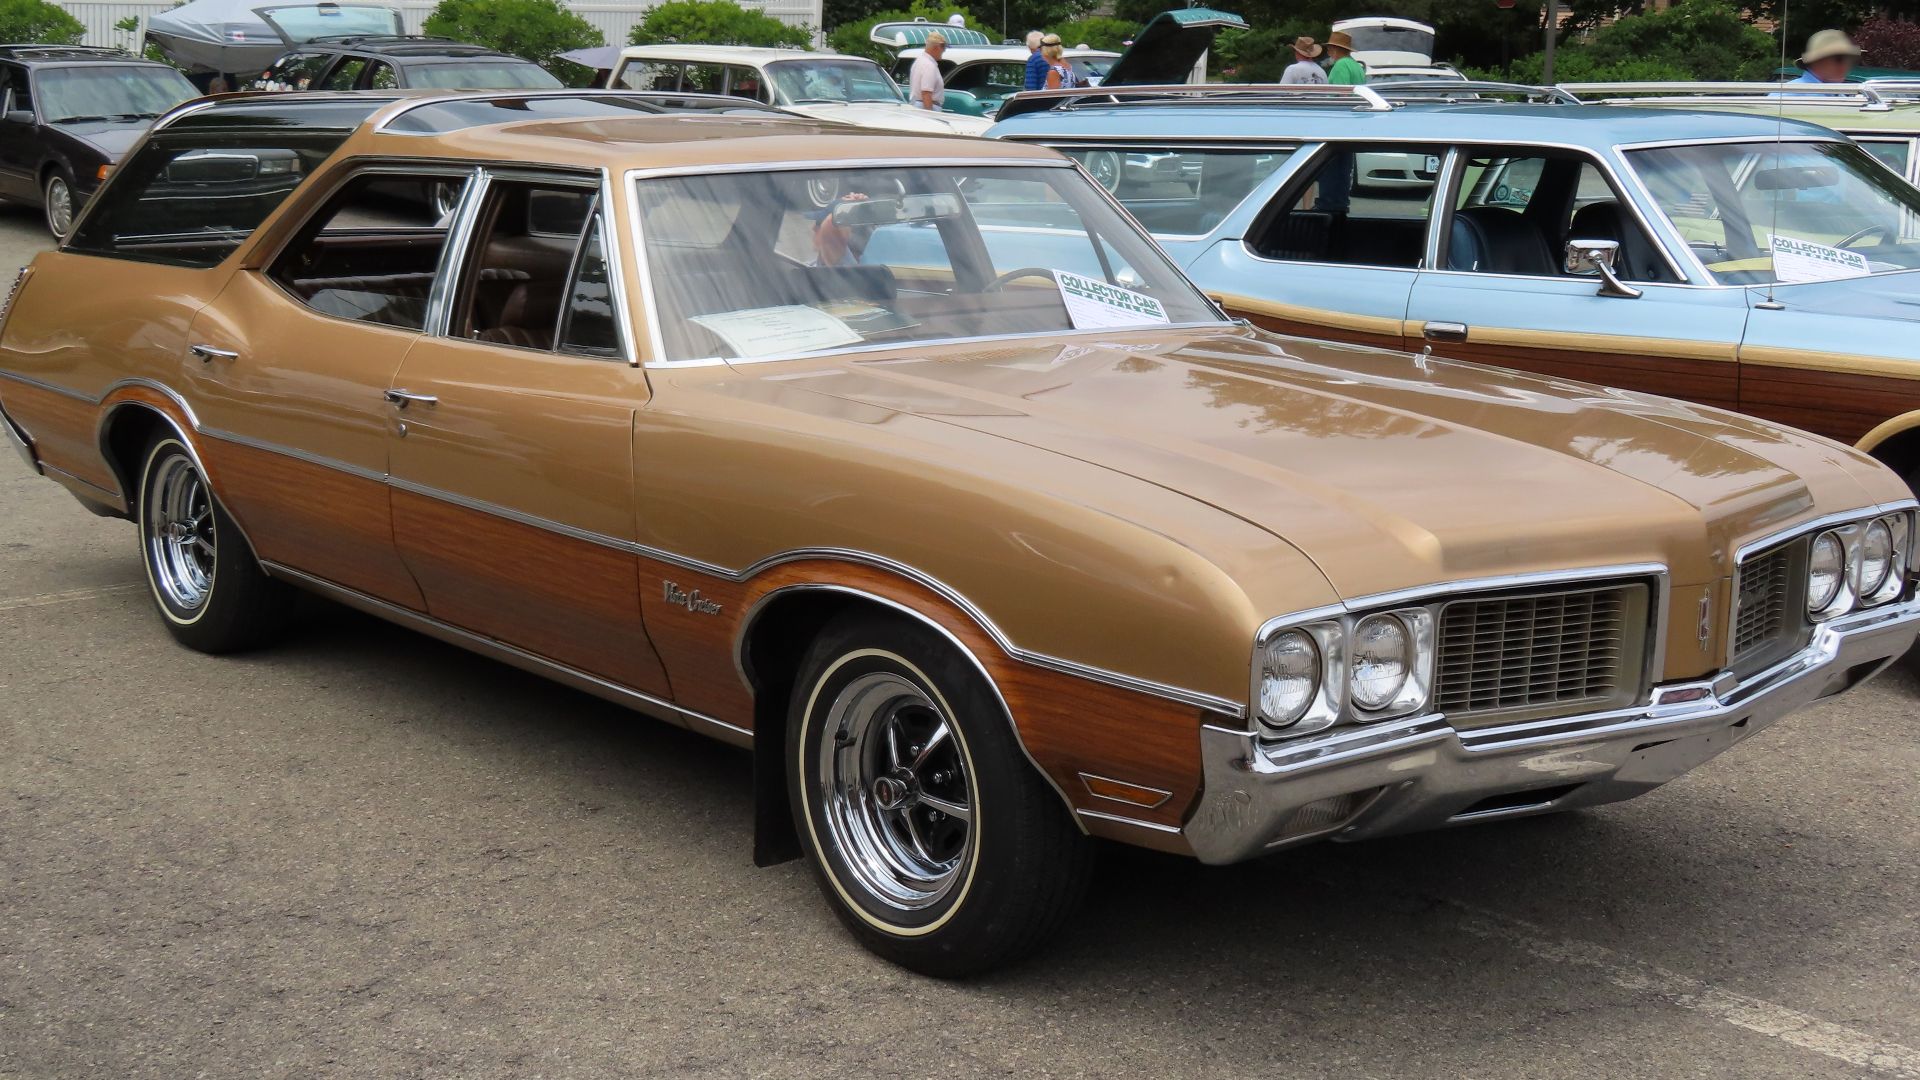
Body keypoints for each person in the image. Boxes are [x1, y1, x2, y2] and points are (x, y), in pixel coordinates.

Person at [1794, 29, 1861, 84]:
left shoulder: (1838, 94)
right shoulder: (1792, 95)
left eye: (1850, 59)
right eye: (1839, 59)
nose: (1845, 65)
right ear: (1817, 61)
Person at [911, 31, 947, 110]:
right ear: (936, 47)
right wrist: (930, 115)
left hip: (917, 105)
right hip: (926, 107)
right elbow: (926, 93)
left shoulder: (919, 61)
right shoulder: (929, 65)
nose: (944, 50)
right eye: (943, 47)